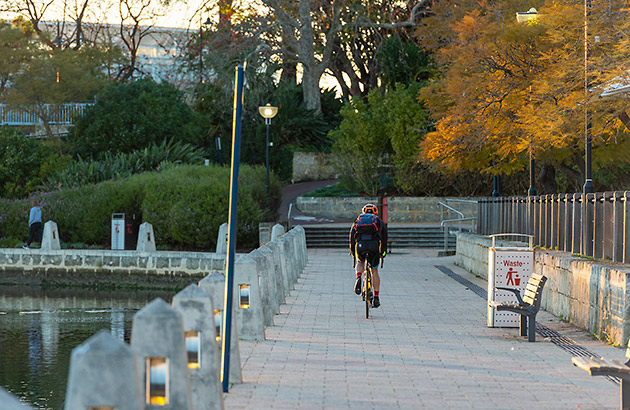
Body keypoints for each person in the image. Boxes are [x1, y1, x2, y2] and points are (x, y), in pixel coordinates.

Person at [349, 203, 388, 308]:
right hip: (374, 246)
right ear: (376, 212)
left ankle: (358, 277)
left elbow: (352, 237)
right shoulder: (379, 222)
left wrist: (352, 251)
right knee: (374, 271)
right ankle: (376, 297)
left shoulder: (358, 220)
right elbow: (384, 239)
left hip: (361, 246)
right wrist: (383, 252)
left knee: (360, 262)